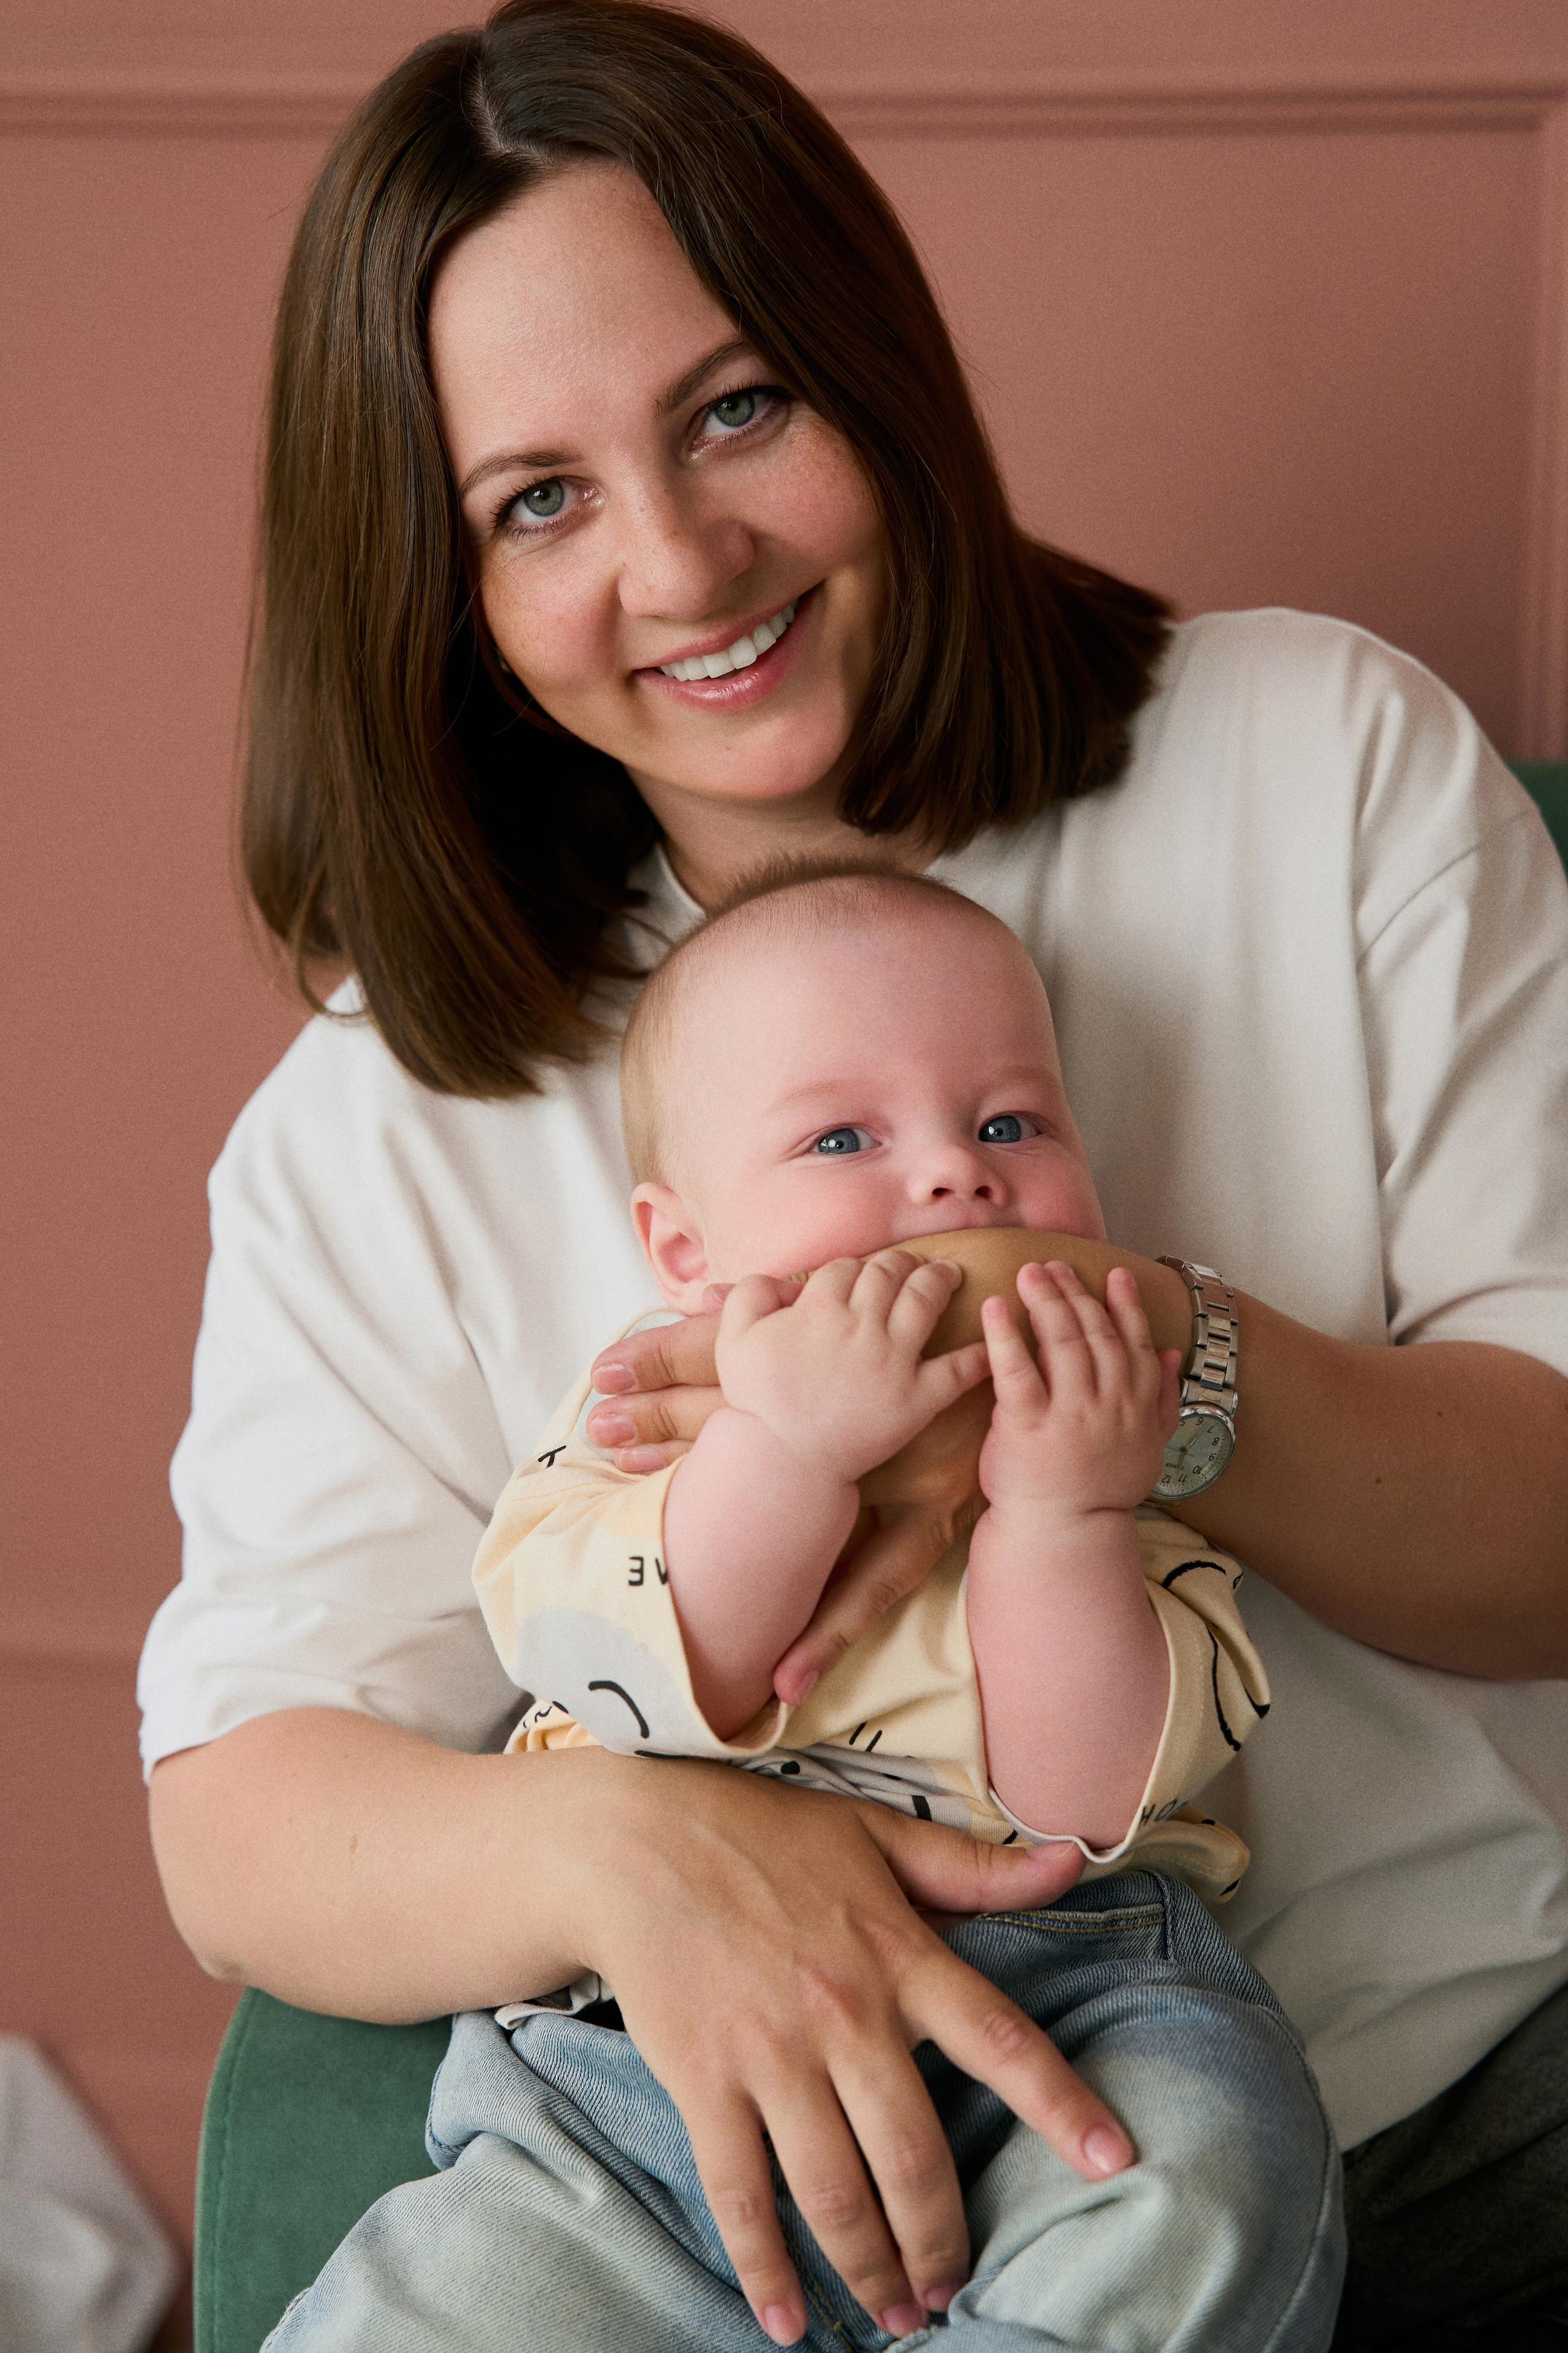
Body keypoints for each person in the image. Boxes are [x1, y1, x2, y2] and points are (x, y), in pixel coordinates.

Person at [137, 2, 1568, 2348]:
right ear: (444, 580)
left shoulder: (1321, 764)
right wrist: (626, 1845)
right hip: (738, 2179)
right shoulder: (382, 1110)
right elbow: (236, 1806)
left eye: (734, 408)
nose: (685, 562)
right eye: (539, 500)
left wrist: (1144, 1374)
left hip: (1418, 2112)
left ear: (869, 361)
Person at [268, 864, 1343, 2352]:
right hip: (635, 2084)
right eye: (842, 1137)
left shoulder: (1113, 1484)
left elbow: (1076, 1801)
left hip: (1073, 2005)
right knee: (446, 2307)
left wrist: (1057, 1513)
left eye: (1011, 1123)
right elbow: (641, 1672)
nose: (958, 1178)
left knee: (1201, 2179)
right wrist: (781, 1450)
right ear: (686, 1253)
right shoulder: (634, 1437)